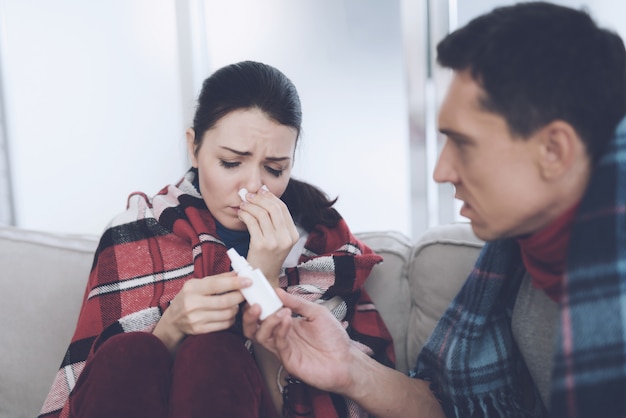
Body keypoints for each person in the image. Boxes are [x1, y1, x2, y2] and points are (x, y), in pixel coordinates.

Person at [242, 2, 626, 417]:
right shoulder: (529, 257)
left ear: (554, 150)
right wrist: (350, 368)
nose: (441, 171)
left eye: (463, 143)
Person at [39, 61, 395, 418]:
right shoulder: (132, 233)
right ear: (194, 147)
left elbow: (303, 404)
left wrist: (266, 283)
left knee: (212, 352)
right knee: (128, 352)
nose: (253, 187)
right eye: (230, 162)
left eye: (275, 169)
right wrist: (172, 325)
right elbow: (101, 385)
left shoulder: (323, 247)